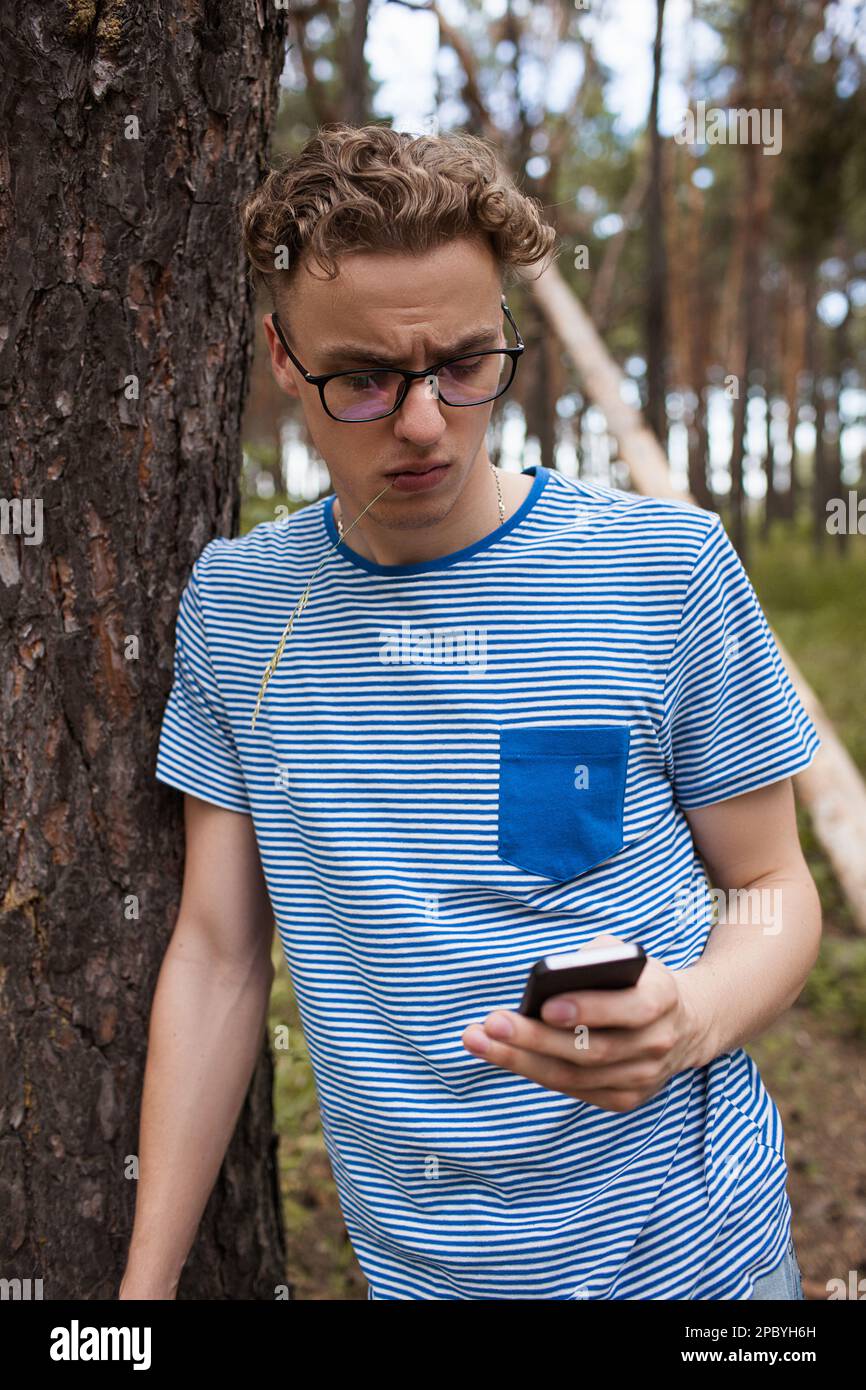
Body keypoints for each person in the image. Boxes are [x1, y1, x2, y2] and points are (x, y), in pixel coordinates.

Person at [121, 124, 821, 1301]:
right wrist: (140, 1301)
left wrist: (687, 1019)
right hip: (420, 1272)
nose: (423, 422)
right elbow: (218, 954)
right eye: (363, 378)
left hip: (699, 1261)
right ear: (283, 358)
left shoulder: (661, 567)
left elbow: (770, 889)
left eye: (462, 363)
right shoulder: (241, 607)